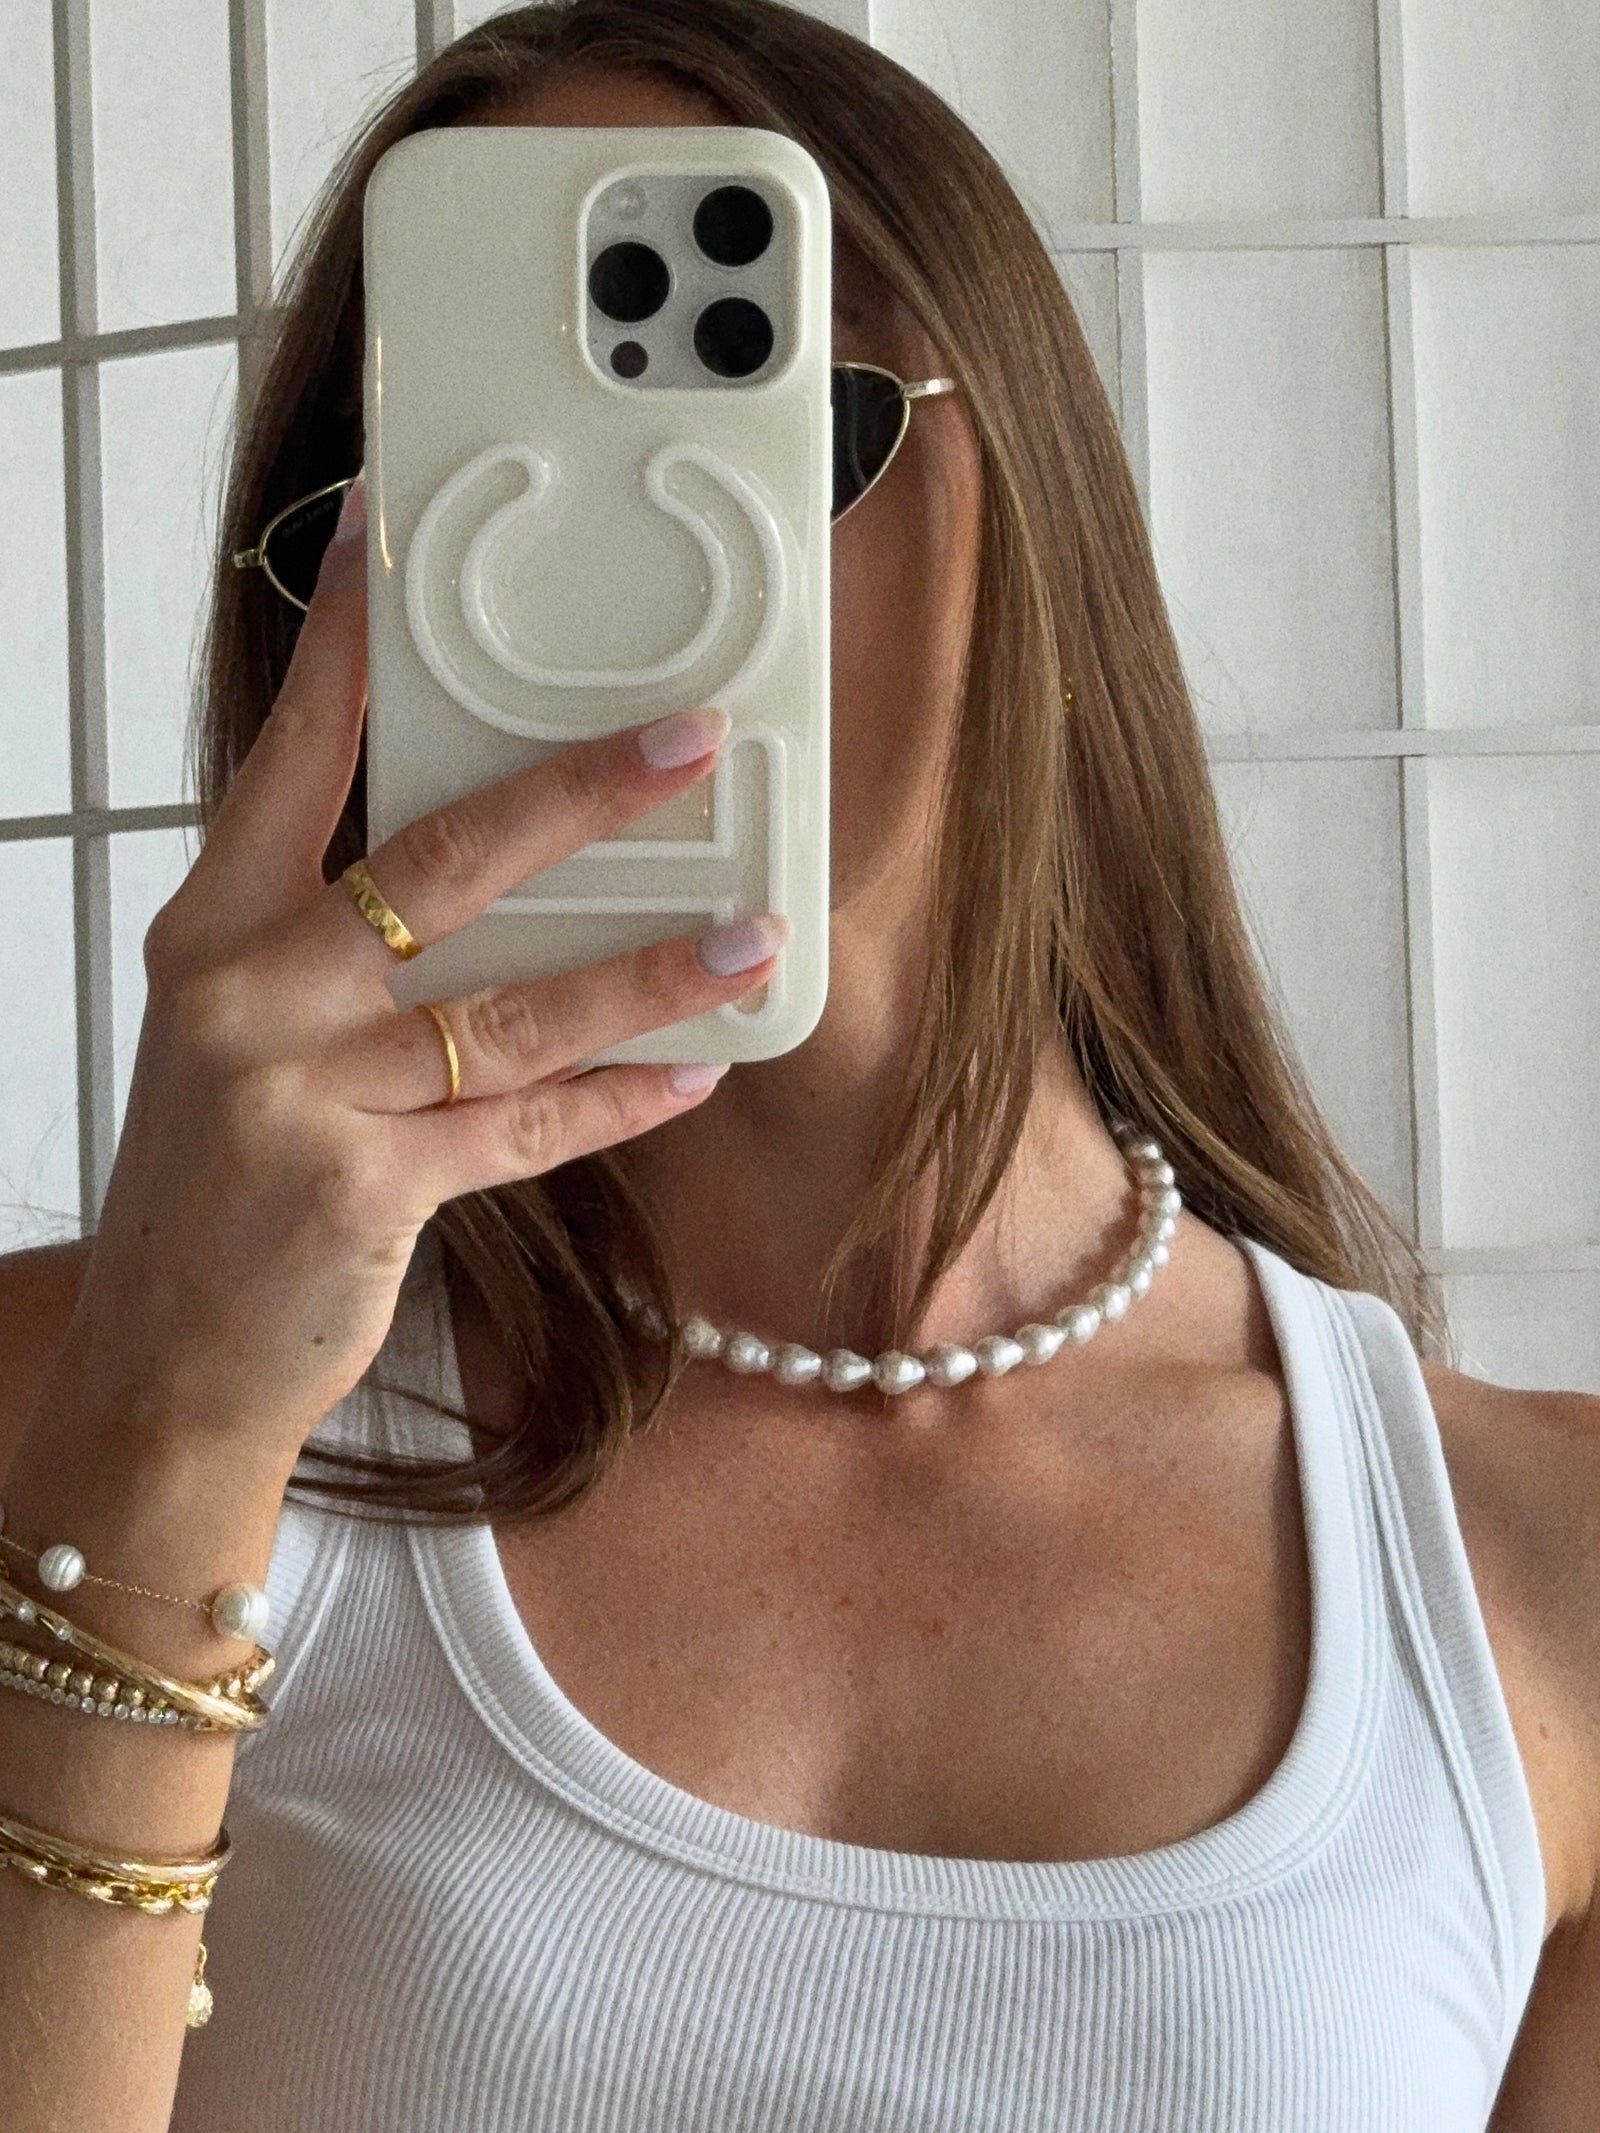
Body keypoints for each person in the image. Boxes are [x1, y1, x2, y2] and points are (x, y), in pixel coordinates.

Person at [1, 1, 1596, 2126]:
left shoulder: (1532, 1573)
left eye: (749, 402)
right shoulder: (73, 1412)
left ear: (1021, 487)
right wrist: (162, 1440)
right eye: (462, 475)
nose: (602, 562)